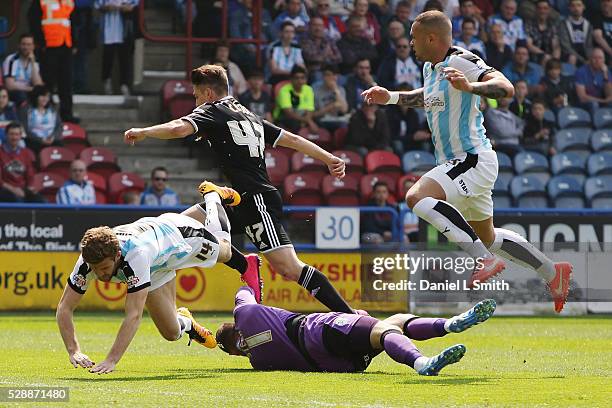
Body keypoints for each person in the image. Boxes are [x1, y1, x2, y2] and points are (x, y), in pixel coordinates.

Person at [362, 10, 572, 313]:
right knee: (486, 236)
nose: (410, 42)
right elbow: (430, 96)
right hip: (463, 162)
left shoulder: (463, 60)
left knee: (416, 196)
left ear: (431, 38)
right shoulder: (429, 68)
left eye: (414, 37)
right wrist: (392, 97)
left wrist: (471, 87)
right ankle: (553, 272)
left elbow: (506, 89)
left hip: (472, 158)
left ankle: (484, 261)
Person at [124, 64, 355, 314]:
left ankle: (349, 316)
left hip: (256, 200)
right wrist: (328, 157)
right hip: (234, 198)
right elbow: (293, 139)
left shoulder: (212, 111)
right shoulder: (248, 114)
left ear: (209, 94)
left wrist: (145, 131)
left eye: (197, 94)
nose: (195, 100)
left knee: (289, 268)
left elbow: (179, 128)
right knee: (178, 227)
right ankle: (245, 265)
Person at [56, 188, 263, 374]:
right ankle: (187, 323)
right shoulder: (88, 259)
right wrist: (74, 351)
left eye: (104, 269)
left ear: (117, 255)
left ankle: (213, 196)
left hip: (182, 238)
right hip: (158, 250)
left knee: (225, 248)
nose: (99, 275)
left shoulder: (136, 255)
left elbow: (134, 315)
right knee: (172, 333)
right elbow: (65, 308)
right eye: (95, 269)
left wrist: (111, 360)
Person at [217, 285, 496, 375]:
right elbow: (247, 287)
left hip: (340, 365)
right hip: (317, 331)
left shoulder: (258, 362)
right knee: (385, 330)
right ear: (235, 327)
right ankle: (423, 361)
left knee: (393, 323)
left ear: (233, 352)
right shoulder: (247, 313)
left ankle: (448, 326)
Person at [29, 0, 79, 123]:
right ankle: (46, 111)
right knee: (48, 81)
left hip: (65, 44)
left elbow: (72, 21)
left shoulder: (69, 1)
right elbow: (33, 20)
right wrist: (40, 42)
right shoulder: (41, 1)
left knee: (66, 81)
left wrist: (74, 42)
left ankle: (66, 113)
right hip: (48, 46)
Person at [95, 0, 137, 96]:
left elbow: (134, 4)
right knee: (108, 57)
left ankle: (124, 84)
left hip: (124, 26)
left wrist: (127, 7)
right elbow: (98, 5)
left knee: (125, 58)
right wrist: (107, 7)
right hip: (108, 27)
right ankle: (106, 81)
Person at [0, 122, 44, 203]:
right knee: (17, 200)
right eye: (11, 134)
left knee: (41, 201)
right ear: (6, 135)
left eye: (17, 134)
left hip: (23, 189)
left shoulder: (27, 153)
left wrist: (31, 188)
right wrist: (14, 190)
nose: (14, 137)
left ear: (20, 136)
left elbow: (30, 175)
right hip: (5, 190)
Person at [18, 85, 63, 155]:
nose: (45, 99)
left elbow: (59, 126)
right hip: (34, 141)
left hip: (52, 140)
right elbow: (25, 129)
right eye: (42, 96)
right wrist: (40, 140)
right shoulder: (26, 110)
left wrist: (53, 137)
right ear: (35, 96)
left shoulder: (53, 109)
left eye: (47, 96)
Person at [1, 33, 44, 106]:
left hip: (28, 91)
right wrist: (31, 89)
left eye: (29, 44)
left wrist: (33, 63)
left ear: (33, 46)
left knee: (43, 96)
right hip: (14, 92)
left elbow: (38, 85)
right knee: (21, 95)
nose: (26, 47)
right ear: (19, 45)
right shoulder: (12, 60)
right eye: (23, 44)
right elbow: (10, 85)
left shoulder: (35, 62)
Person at [274, 65, 318, 133]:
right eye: (296, 78)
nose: (300, 81)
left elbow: (309, 110)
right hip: (283, 117)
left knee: (319, 121)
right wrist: (308, 122)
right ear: (291, 79)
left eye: (302, 78)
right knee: (296, 124)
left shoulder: (308, 89)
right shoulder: (284, 90)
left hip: (302, 116)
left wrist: (308, 120)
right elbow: (288, 113)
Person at [574, 47, 612, 113]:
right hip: (585, 103)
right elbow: (582, 97)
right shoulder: (581, 72)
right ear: (590, 59)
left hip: (601, 100)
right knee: (594, 104)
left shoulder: (606, 71)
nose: (597, 61)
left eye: (600, 58)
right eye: (595, 58)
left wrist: (605, 75)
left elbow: (609, 94)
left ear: (604, 60)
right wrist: (603, 101)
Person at [267, 21, 305, 85]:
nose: (290, 35)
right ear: (281, 33)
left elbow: (301, 66)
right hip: (278, 78)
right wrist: (292, 72)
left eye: (292, 32)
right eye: (287, 32)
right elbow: (274, 70)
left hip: (294, 77)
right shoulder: (274, 47)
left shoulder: (297, 47)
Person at [312, 65, 350, 130]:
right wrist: (331, 106)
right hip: (321, 120)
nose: (331, 78)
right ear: (323, 76)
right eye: (328, 75)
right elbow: (313, 115)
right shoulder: (315, 89)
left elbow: (344, 110)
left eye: (334, 75)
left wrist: (336, 91)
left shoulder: (340, 89)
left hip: (337, 119)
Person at [525, 0, 561, 67]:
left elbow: (555, 45)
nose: (542, 11)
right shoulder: (529, 24)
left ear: (549, 10)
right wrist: (544, 55)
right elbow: (529, 45)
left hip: (549, 58)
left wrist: (555, 58)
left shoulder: (552, 26)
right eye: (540, 8)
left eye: (545, 8)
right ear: (536, 10)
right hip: (533, 57)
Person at [558, 0, 593, 66]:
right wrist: (582, 60)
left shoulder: (588, 25)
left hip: (585, 55)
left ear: (583, 7)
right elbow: (566, 46)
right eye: (573, 6)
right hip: (569, 56)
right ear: (569, 8)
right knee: (572, 57)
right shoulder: (563, 24)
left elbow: (589, 46)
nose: (576, 8)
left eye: (579, 5)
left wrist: (591, 59)